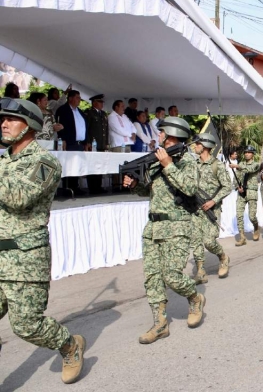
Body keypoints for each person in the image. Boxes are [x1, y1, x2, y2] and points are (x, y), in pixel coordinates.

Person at [0, 97, 86, 384]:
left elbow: (19, 198)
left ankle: (69, 345)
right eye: (2, 119)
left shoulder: (44, 162)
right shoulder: (3, 161)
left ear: (32, 125)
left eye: (11, 119)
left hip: (24, 258)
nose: (4, 124)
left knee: (26, 326)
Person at [123, 117, 205, 344]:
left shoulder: (188, 161)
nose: (158, 136)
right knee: (152, 278)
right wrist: (134, 185)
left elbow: (189, 188)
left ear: (170, 134)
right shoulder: (155, 159)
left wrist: (168, 164)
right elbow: (147, 191)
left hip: (177, 225)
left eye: (161, 132)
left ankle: (195, 298)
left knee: (172, 276)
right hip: (153, 227)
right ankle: (160, 324)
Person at [191, 133, 232, 284]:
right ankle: (200, 271)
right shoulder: (194, 164)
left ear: (205, 146)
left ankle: (223, 257)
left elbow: (228, 186)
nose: (195, 146)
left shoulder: (217, 165)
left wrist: (214, 201)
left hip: (211, 209)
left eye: (197, 143)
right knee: (195, 241)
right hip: (195, 209)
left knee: (208, 241)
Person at [54, 89, 87, 195]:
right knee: (69, 165)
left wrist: (86, 141)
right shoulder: (63, 110)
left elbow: (84, 127)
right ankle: (67, 188)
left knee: (77, 165)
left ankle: (75, 187)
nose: (79, 100)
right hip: (68, 142)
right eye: (77, 97)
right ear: (70, 98)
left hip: (79, 143)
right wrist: (62, 139)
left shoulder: (80, 111)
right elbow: (60, 126)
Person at [229, 146, 261, 246]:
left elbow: (250, 169)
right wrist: (237, 186)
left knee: (252, 216)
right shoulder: (240, 164)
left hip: (251, 192)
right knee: (239, 215)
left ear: (253, 154)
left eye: (249, 152)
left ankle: (256, 227)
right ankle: (242, 237)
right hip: (241, 193)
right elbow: (236, 178)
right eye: (245, 152)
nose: (246, 154)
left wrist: (237, 166)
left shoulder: (256, 164)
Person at [85, 94, 110, 194]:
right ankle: (92, 187)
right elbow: (87, 129)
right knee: (92, 165)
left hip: (101, 144)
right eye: (100, 102)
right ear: (94, 102)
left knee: (100, 165)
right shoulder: (89, 113)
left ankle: (98, 186)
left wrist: (106, 143)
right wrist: (87, 142)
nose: (102, 104)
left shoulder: (103, 114)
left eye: (102, 102)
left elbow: (106, 130)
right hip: (93, 144)